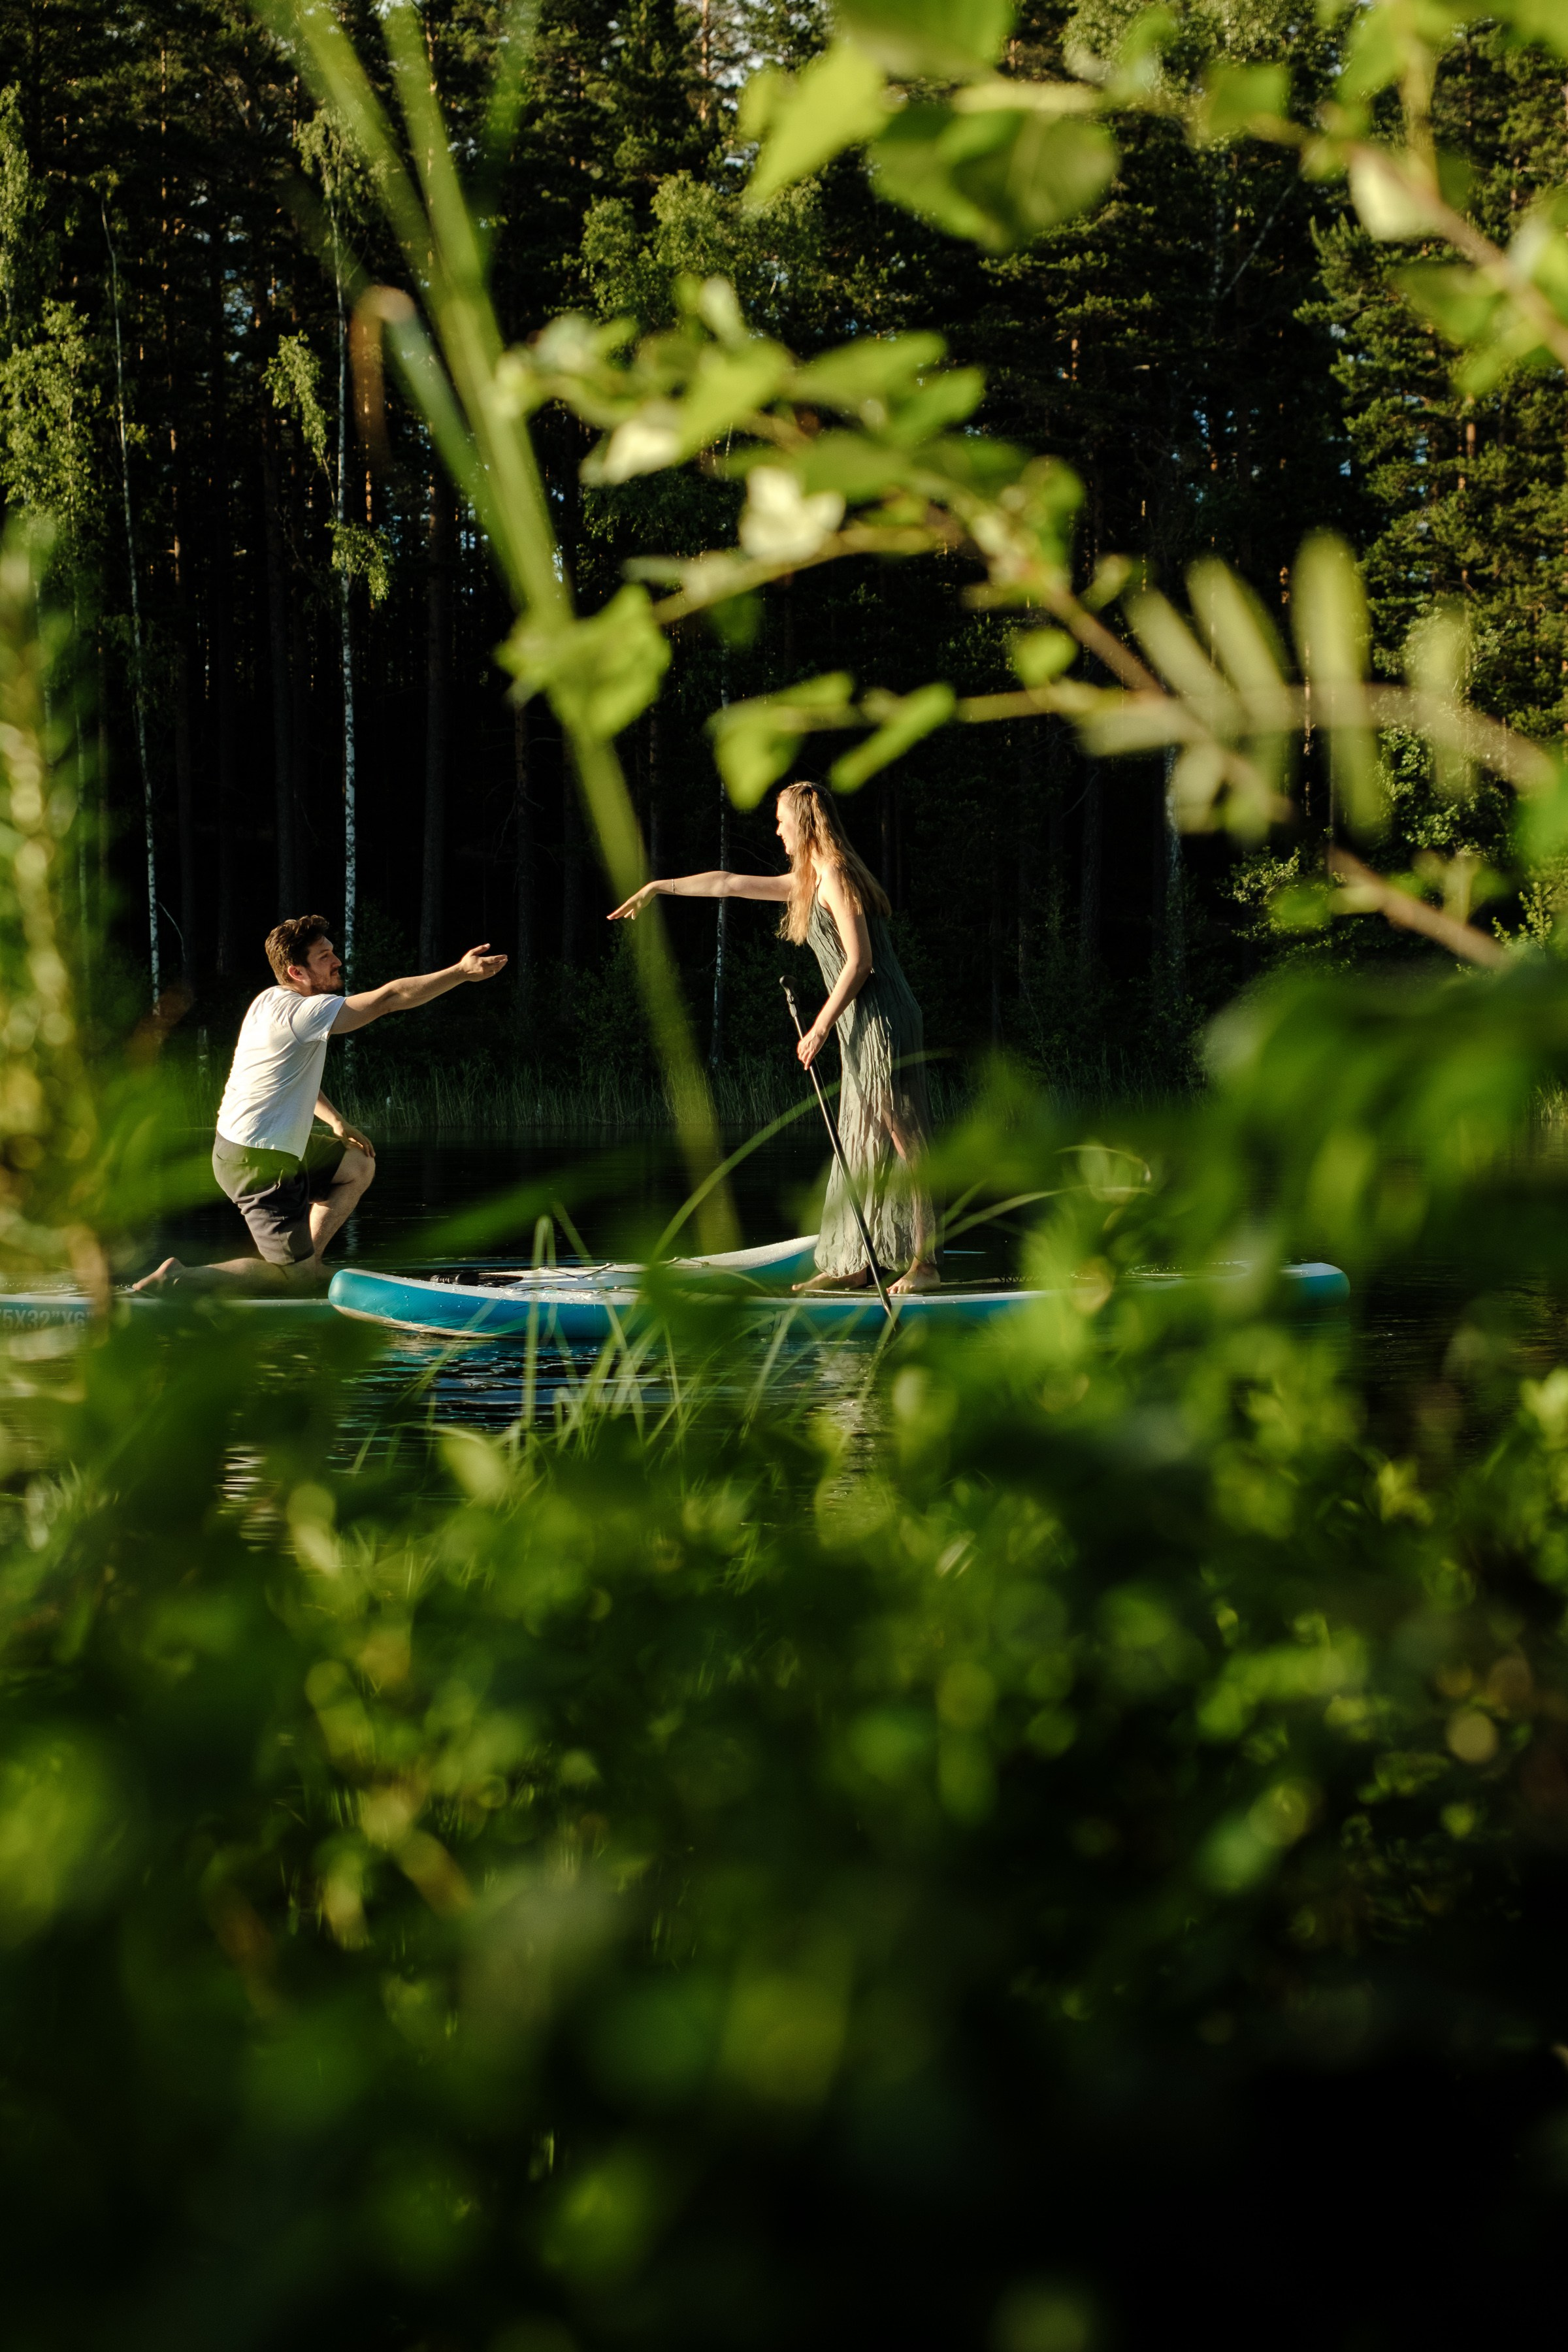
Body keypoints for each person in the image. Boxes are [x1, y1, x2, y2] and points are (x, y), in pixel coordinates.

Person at [609, 779, 938, 1293]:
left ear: (804, 822)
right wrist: (659, 887)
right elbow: (728, 883)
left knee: (903, 1138)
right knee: (863, 1139)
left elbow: (861, 962)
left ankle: (926, 1264)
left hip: (882, 1018)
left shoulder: (836, 874)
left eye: (782, 818)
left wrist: (820, 1026)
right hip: (858, 1020)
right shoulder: (807, 880)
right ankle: (861, 1263)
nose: (777, 827)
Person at [134, 915, 507, 1291]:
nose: (337, 961)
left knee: (358, 1164)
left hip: (263, 1148)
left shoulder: (270, 1000)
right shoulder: (302, 1012)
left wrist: (336, 1121)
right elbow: (390, 999)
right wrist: (460, 972)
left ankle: (309, 1262)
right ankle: (178, 1278)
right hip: (259, 1161)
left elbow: (292, 1079)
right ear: (297, 971)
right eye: (325, 955)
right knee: (294, 1281)